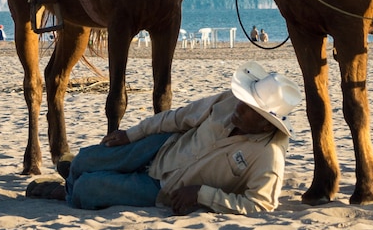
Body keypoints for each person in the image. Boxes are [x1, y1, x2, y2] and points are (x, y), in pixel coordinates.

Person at [26, 61, 302, 215]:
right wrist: (132, 134)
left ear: (267, 125)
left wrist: (203, 195)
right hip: (164, 145)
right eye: (244, 100)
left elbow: (261, 204)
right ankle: (74, 180)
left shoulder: (268, 156)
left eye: (249, 108)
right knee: (85, 159)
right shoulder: (229, 102)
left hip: (165, 187)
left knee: (88, 189)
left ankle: (69, 189)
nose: (239, 107)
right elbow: (178, 117)